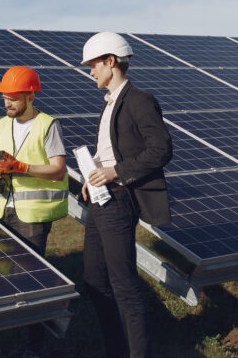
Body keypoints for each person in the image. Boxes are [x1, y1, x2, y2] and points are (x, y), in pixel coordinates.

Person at [80, 32, 172, 358]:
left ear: (110, 61)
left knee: (125, 286)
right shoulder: (108, 104)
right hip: (100, 197)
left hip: (120, 199)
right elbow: (110, 151)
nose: (90, 71)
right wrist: (93, 176)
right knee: (93, 279)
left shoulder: (139, 100)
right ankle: (116, 351)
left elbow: (161, 150)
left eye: (93, 64)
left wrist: (115, 171)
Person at [0, 65, 68, 358]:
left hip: (32, 216)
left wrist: (22, 167)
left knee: (30, 282)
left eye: (13, 97)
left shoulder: (48, 125)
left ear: (30, 96)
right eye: (4, 97)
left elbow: (58, 170)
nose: (7, 102)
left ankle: (33, 349)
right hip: (1, 210)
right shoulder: (0, 123)